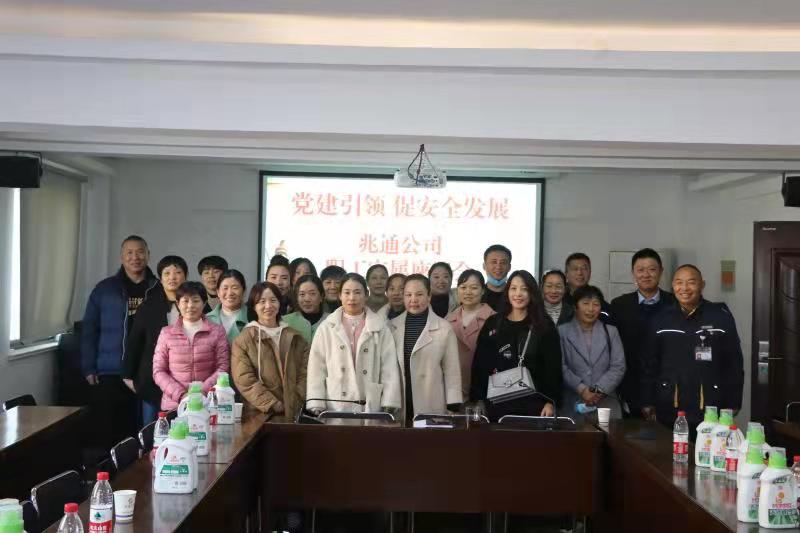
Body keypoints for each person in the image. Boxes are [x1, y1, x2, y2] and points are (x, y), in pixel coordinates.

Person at [640, 265, 744, 428]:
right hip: (669, 402)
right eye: (679, 282)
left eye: (691, 282)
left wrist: (734, 402)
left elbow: (733, 363)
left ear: (702, 285)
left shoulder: (719, 317)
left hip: (710, 403)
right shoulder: (660, 318)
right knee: (669, 444)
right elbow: (649, 363)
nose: (684, 288)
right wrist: (647, 400)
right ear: (673, 285)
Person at [81, 235, 157, 447]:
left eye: (140, 252)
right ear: (121, 257)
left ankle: (142, 468)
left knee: (144, 429)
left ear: (148, 255)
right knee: (111, 429)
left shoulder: (158, 288)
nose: (135, 257)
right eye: (129, 253)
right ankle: (111, 468)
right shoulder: (104, 289)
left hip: (147, 370)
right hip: (111, 369)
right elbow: (89, 329)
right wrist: (89, 367)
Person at [471, 270, 562, 421]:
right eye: (513, 288)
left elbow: (553, 368)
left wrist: (550, 401)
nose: (518, 294)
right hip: (496, 404)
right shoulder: (493, 323)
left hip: (535, 405)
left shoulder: (543, 325)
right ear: (507, 292)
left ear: (532, 293)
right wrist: (478, 399)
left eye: (524, 289)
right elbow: (480, 364)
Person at [306, 273, 402, 414]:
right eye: (347, 292)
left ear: (366, 295)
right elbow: (316, 368)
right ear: (340, 295)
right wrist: (316, 402)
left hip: (369, 401)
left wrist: (389, 401)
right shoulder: (327, 327)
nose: (352, 298)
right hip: (335, 401)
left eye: (357, 292)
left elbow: (389, 367)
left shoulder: (380, 327)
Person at [610, 248, 676, 416]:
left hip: (669, 388)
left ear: (661, 271)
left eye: (652, 269)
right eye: (640, 270)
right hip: (630, 386)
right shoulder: (619, 305)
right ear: (633, 273)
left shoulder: (675, 304)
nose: (646, 275)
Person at [122, 255, 187, 425]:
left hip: (185, 380)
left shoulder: (194, 304)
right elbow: (135, 341)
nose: (172, 277)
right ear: (160, 278)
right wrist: (128, 376)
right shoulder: (148, 306)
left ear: (185, 276)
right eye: (167, 273)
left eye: (177, 272)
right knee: (152, 431)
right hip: (152, 381)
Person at [388, 274, 462, 423]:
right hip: (400, 400)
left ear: (429, 296)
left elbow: (452, 370)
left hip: (431, 398)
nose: (413, 299)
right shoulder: (391, 326)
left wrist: (453, 403)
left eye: (419, 294)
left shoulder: (444, 328)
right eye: (408, 295)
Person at [231, 281, 309, 419]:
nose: (268, 306)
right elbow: (244, 379)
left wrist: (295, 400)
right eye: (262, 301)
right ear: (254, 306)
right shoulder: (244, 339)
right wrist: (273, 404)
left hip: (295, 412)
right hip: (259, 414)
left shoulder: (295, 337)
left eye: (273, 300)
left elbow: (305, 372)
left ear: (279, 303)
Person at [152, 281, 230, 410]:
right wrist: (181, 395)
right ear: (178, 304)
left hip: (207, 403)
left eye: (196, 301)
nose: (190, 305)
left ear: (204, 303)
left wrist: (201, 392)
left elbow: (223, 367)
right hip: (174, 405)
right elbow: (158, 371)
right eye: (185, 301)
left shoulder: (217, 332)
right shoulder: (166, 333)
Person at [559, 285, 626, 421]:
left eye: (596, 304)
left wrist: (597, 390)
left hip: (606, 404)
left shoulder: (611, 331)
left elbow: (618, 366)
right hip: (572, 403)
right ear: (575, 307)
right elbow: (560, 366)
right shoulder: (562, 331)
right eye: (585, 303)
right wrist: (582, 389)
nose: (591, 309)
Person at [446, 270, 496, 402]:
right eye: (463, 287)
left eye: (474, 288)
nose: (468, 292)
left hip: (485, 390)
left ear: (483, 290)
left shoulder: (495, 319)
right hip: (454, 390)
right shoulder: (448, 320)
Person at [564, 252, 612, 322]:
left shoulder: (598, 299)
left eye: (584, 268)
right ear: (566, 274)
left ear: (590, 272)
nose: (579, 273)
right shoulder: (557, 298)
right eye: (575, 269)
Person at [206, 269, 249, 345]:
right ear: (218, 292)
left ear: (244, 291)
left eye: (235, 288)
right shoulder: (206, 319)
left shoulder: (252, 317)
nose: (230, 293)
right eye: (225, 288)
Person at [281, 275, 329, 343]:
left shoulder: (332, 320)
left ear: (321, 296)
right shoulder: (285, 322)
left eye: (312, 294)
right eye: (302, 294)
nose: (307, 299)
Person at [481, 244, 512, 312]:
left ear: (509, 267)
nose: (498, 267)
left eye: (503, 263)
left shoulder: (515, 296)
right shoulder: (477, 295)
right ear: (484, 266)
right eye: (494, 262)